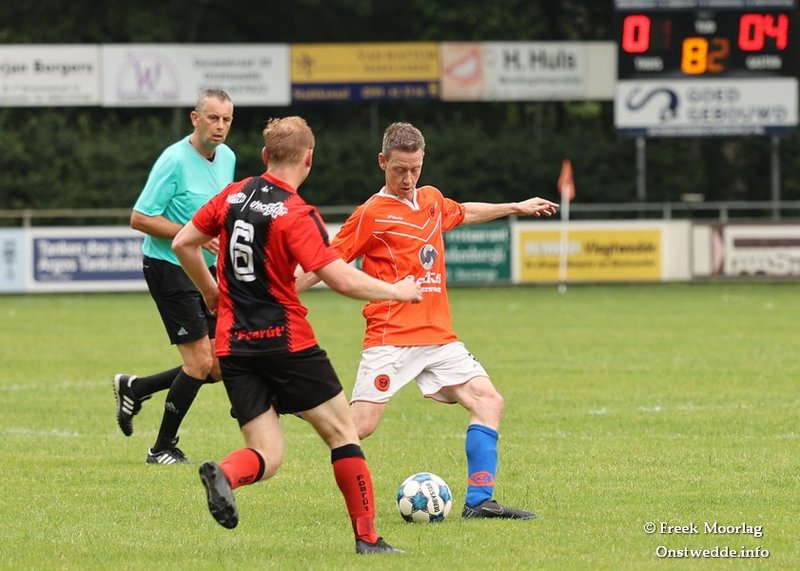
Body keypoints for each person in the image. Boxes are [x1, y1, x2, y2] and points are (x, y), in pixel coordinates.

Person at [172, 116, 420, 554]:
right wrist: (397, 291)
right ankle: (367, 539)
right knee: (343, 433)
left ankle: (226, 474)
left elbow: (183, 244)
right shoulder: (296, 213)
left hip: (234, 344)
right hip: (287, 342)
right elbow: (340, 278)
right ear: (309, 159)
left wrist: (211, 292)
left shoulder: (232, 195)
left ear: (265, 155)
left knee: (267, 454)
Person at [297, 121, 559, 520]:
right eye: (399, 169)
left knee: (488, 401)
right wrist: (277, 294)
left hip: (438, 336)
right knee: (358, 426)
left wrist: (515, 206)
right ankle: (292, 399)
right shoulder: (370, 214)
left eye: (415, 169)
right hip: (392, 335)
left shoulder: (432, 200)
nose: (408, 179)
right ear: (382, 162)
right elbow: (325, 262)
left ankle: (479, 502)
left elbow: (464, 211)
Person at [113, 89, 235, 465]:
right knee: (199, 363)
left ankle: (137, 387)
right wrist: (191, 233)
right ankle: (161, 448)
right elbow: (140, 218)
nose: (220, 126)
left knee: (217, 365)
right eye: (213, 118)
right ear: (195, 119)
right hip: (168, 267)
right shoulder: (174, 160)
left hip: (205, 269)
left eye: (226, 119)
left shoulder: (228, 158)